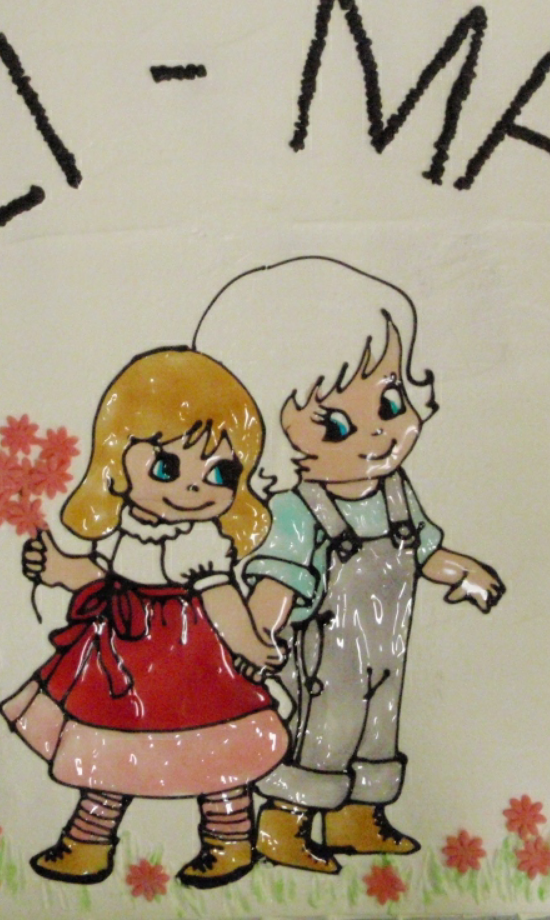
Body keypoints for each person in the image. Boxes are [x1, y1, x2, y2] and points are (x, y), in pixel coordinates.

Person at [193, 257, 505, 874]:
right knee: (326, 733)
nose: (379, 434)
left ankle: (358, 819)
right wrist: (259, 633)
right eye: (337, 425)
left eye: (390, 400)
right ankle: (283, 825)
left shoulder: (396, 492)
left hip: (384, 648)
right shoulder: (296, 510)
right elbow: (277, 580)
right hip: (323, 657)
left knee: (378, 726)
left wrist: (461, 571)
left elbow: (421, 551)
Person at [0, 347, 287, 889]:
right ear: (116, 462)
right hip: (123, 660)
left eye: (221, 471)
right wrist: (59, 567)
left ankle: (230, 840)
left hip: (191, 655)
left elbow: (221, 598)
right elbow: (106, 576)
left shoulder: (199, 540)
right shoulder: (128, 524)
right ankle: (88, 843)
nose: (194, 487)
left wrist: (251, 643)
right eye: (167, 466)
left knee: (216, 750)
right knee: (109, 748)